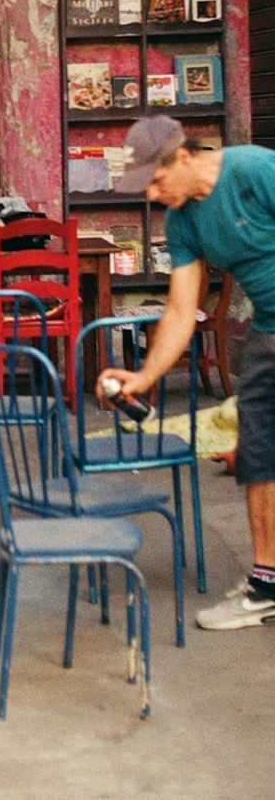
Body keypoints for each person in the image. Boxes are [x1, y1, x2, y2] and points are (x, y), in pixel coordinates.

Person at [105, 115, 275, 631]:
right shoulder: (183, 224)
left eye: (156, 181)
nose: (153, 195)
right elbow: (181, 312)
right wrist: (144, 378)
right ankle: (267, 585)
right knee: (259, 453)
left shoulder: (255, 171)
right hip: (268, 335)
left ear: (183, 157)